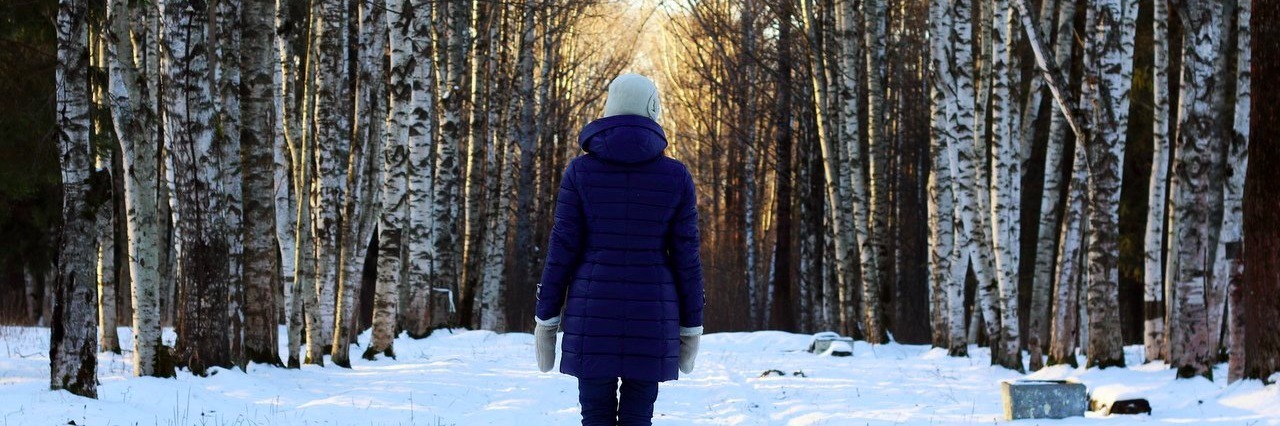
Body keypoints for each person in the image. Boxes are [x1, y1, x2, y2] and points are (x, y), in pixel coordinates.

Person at [533, 73, 705, 426]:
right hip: (654, 317)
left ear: (609, 110)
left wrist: (546, 318)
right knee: (637, 419)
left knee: (594, 418)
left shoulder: (580, 172)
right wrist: (691, 325)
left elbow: (561, 250)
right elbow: (687, 259)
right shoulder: (676, 177)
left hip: (590, 311)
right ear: (653, 110)